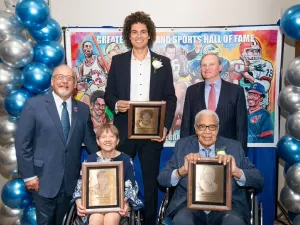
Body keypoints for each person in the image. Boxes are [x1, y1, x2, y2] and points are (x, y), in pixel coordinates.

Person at [104, 11, 177, 225]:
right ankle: (119, 220)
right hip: (124, 131)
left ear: (149, 35)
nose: (138, 36)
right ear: (129, 35)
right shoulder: (118, 61)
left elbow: (170, 98)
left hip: (152, 132)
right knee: (119, 181)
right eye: (134, 32)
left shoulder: (162, 62)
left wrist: (164, 127)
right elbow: (109, 94)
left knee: (151, 183)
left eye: (143, 32)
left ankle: (150, 222)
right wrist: (117, 104)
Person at [15, 65, 99, 225]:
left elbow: (91, 143)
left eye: (69, 78)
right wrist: (29, 175)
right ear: (52, 81)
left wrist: (109, 161)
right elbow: (22, 143)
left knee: (64, 221)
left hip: (70, 181)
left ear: (75, 84)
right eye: (60, 77)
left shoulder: (82, 109)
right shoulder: (34, 105)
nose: (64, 81)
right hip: (42, 179)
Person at [158, 109, 264, 225]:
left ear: (218, 128)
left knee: (234, 222)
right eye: (202, 126)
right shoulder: (183, 146)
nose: (207, 132)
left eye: (212, 127)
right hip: (188, 206)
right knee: (182, 220)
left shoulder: (234, 147)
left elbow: (258, 179)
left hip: (229, 207)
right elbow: (162, 179)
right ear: (196, 128)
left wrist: (237, 172)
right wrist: (181, 172)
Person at [74, 124, 143, 225]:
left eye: (112, 136)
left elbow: (131, 188)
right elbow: (80, 185)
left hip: (116, 206)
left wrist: (126, 205)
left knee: (111, 218)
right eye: (103, 137)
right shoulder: (90, 160)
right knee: (95, 219)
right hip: (94, 206)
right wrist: (78, 202)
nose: (107, 140)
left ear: (117, 141)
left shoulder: (126, 160)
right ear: (97, 141)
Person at [180, 52, 248, 154]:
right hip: (196, 152)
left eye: (211, 64)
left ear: (220, 67)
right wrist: (184, 153)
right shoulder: (192, 91)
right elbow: (186, 125)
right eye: (204, 65)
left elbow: (241, 127)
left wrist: (240, 155)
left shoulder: (236, 91)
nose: (207, 68)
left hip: (228, 152)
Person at [77, 40, 108, 105]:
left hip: (103, 92)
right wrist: (87, 77)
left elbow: (110, 72)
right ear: (83, 49)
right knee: (82, 105)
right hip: (91, 94)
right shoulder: (81, 67)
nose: (88, 48)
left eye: (90, 46)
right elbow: (80, 82)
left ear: (92, 49)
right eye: (86, 46)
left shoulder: (99, 59)